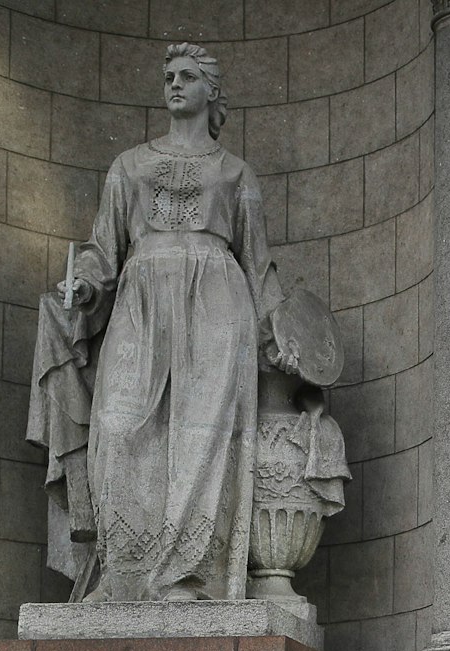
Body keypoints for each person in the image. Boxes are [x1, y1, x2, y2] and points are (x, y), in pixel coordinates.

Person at [30, 42, 298, 603]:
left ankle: (187, 576)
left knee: (202, 441)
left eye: (187, 76)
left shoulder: (235, 172)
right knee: (118, 428)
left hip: (218, 307)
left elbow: (258, 262)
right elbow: (105, 248)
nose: (174, 84)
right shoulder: (127, 165)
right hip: (141, 299)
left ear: (211, 92)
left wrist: (281, 334)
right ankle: (123, 573)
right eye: (168, 76)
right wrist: (83, 283)